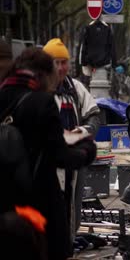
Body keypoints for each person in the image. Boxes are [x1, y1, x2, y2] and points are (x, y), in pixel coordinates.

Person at [0, 48, 97, 260]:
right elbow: (59, 156)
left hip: (6, 203)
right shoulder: (42, 102)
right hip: (39, 204)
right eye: (56, 66)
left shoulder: (3, 94)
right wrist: (87, 151)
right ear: (43, 74)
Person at [43, 38, 101, 245]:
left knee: (73, 207)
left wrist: (82, 131)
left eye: (63, 62)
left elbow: (94, 115)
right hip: (47, 162)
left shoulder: (75, 88)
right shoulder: (38, 90)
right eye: (55, 62)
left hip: (73, 161)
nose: (60, 67)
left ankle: (69, 243)